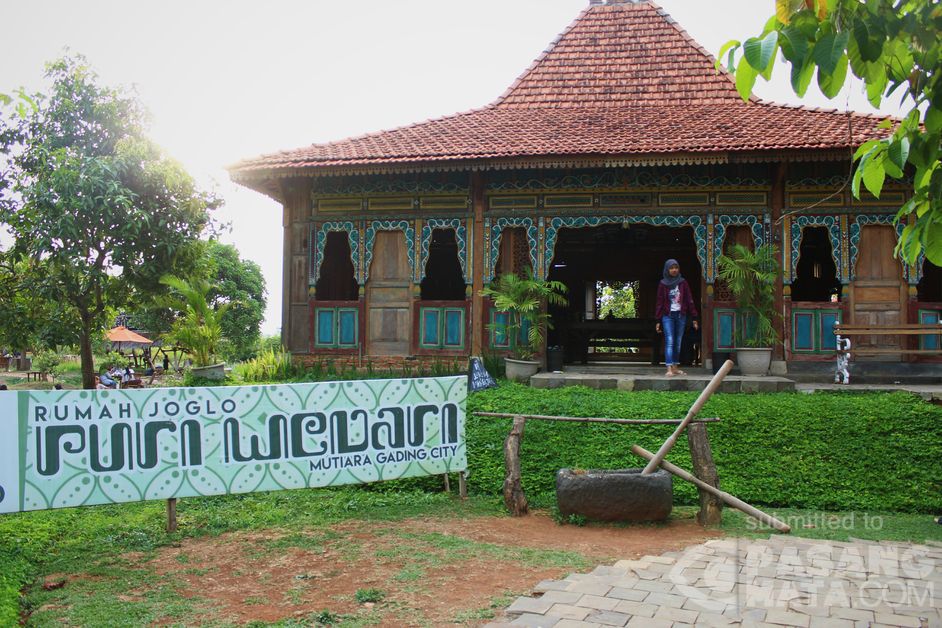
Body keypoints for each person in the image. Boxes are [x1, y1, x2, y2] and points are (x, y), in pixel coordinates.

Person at [655, 258, 699, 377]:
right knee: (670, 341)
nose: (674, 270)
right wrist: (658, 320)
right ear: (667, 269)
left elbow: (689, 300)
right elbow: (659, 302)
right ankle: (669, 367)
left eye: (676, 267)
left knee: (678, 342)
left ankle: (675, 367)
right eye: (671, 268)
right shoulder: (663, 284)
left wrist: (695, 317)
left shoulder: (683, 283)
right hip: (667, 315)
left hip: (681, 315)